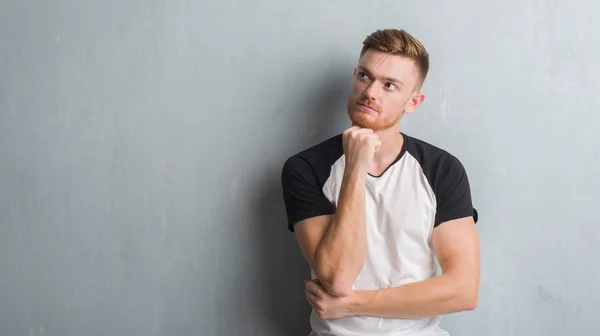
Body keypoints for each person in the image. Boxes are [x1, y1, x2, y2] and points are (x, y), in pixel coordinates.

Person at [280, 28, 480, 336]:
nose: (371, 92)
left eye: (389, 85)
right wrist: (355, 169)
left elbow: (464, 290)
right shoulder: (306, 168)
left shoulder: (442, 169)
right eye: (364, 76)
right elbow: (337, 278)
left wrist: (352, 304)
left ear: (412, 102)